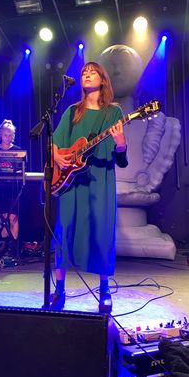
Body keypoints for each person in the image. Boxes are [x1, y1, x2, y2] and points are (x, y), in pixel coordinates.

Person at [51, 62, 128, 313]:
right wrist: (57, 157)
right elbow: (56, 141)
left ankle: (104, 291)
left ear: (103, 80)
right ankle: (59, 289)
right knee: (65, 231)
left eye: (92, 72)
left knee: (101, 231)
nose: (86, 75)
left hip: (100, 180)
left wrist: (120, 143)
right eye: (84, 72)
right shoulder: (72, 111)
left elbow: (121, 159)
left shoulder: (113, 113)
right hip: (72, 181)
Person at [0, 119, 21, 257]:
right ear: (0, 135)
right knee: (3, 216)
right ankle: (3, 244)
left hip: (13, 188)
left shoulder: (17, 151)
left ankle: (13, 245)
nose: (8, 138)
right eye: (5, 135)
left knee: (13, 217)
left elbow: (22, 168)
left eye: (10, 135)